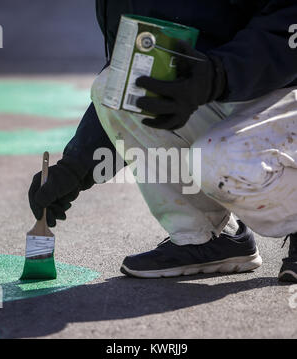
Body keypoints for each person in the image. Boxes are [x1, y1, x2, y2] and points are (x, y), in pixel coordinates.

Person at [29, 0, 297, 282]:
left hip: (283, 86)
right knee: (114, 85)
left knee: (221, 158)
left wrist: (221, 74)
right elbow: (137, 75)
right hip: (230, 85)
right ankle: (205, 237)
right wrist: (77, 166)